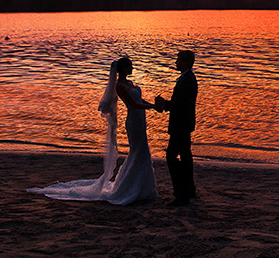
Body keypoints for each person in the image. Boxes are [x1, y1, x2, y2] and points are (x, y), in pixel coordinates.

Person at [28, 57, 158, 205]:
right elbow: (133, 105)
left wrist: (154, 105)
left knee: (142, 151)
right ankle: (131, 186)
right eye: (130, 67)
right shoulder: (120, 86)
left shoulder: (130, 83)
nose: (132, 69)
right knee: (138, 151)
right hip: (134, 122)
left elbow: (140, 101)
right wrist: (153, 107)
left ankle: (144, 187)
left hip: (141, 121)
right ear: (123, 69)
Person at [152, 49, 198, 206]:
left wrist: (165, 104)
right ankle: (188, 190)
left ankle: (181, 193)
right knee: (185, 156)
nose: (176, 63)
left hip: (181, 125)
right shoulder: (187, 79)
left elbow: (181, 105)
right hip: (184, 125)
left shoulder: (187, 80)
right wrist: (166, 104)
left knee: (172, 157)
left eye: (178, 60)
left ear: (185, 62)